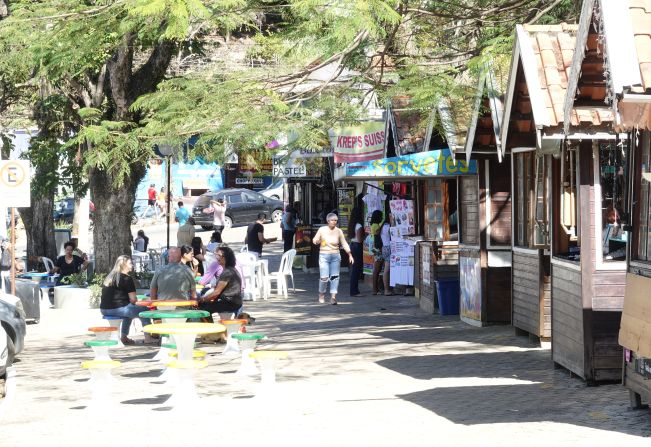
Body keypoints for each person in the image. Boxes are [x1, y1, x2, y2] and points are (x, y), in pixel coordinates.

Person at [99, 255, 153, 345]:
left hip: (104, 309)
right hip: (118, 309)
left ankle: (124, 337)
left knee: (129, 312)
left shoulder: (110, 277)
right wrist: (139, 302)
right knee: (144, 311)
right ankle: (148, 337)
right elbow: (133, 300)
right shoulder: (127, 278)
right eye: (130, 263)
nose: (133, 265)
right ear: (124, 265)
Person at [312, 212, 354, 305]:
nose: (334, 222)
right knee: (324, 277)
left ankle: (333, 297)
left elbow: (344, 243)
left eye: (335, 220)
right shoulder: (322, 229)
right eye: (332, 220)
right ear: (328, 221)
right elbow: (314, 240)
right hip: (324, 255)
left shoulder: (339, 231)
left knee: (335, 277)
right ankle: (321, 294)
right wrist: (317, 241)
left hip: (335, 255)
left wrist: (350, 254)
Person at [197, 246, 243, 317]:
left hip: (229, 303)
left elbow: (216, 292)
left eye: (218, 256)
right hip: (234, 301)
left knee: (201, 307)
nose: (216, 258)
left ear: (225, 258)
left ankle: (207, 326)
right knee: (205, 305)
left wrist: (202, 299)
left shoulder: (227, 272)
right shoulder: (231, 270)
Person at [347, 206, 365, 297]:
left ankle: (354, 290)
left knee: (354, 268)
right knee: (356, 269)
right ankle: (354, 291)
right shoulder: (359, 225)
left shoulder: (352, 224)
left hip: (352, 245)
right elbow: (360, 239)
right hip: (357, 246)